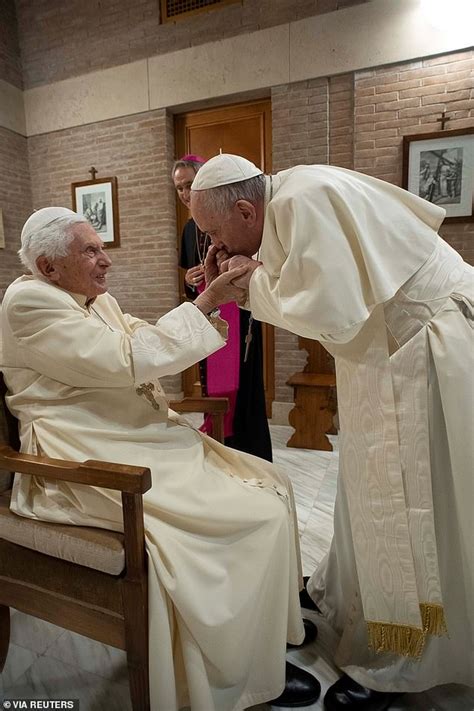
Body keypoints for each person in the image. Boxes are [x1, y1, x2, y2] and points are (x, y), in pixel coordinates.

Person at [0, 207, 321, 711]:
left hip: (126, 435)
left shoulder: (87, 296)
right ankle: (230, 676)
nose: (106, 261)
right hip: (83, 454)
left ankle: (261, 637)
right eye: (90, 250)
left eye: (100, 246)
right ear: (47, 266)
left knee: (271, 481)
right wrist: (211, 298)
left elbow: (138, 334)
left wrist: (203, 299)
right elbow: (125, 359)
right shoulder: (29, 304)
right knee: (246, 516)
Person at [190, 154, 474, 711]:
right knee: (370, 493)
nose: (212, 244)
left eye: (214, 230)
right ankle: (357, 603)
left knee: (412, 503)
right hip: (389, 353)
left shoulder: (303, 201)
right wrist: (247, 270)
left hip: (419, 353)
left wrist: (246, 289)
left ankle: (404, 656)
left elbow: (332, 310)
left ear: (246, 209)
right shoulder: (288, 200)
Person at [173, 155, 272, 461]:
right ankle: (219, 437)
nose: (185, 193)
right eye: (179, 188)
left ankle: (247, 450)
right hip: (208, 310)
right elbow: (187, 272)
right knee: (210, 382)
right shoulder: (191, 229)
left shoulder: (230, 214)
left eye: (190, 184)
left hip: (239, 312)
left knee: (244, 389)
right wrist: (191, 281)